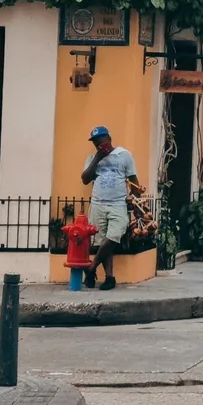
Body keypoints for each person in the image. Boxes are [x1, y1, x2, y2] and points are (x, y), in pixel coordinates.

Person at [82, 123, 139, 290]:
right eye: (95, 142)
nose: (99, 144)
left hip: (118, 204)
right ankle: (109, 278)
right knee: (101, 242)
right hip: (98, 204)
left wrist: (136, 203)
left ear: (109, 139)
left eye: (101, 140)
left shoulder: (124, 155)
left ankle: (91, 269)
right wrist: (98, 158)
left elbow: (134, 180)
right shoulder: (93, 158)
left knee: (114, 236)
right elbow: (85, 179)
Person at [62, 206, 99, 292]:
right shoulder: (85, 229)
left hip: (74, 256)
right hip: (83, 256)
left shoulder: (72, 229)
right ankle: (89, 273)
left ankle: (76, 286)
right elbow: (94, 230)